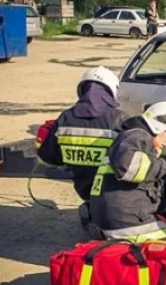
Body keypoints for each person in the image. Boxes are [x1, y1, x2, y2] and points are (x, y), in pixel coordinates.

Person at [37, 67, 128, 236]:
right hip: (113, 189)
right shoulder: (119, 119)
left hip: (83, 187)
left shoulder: (65, 118)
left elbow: (49, 156)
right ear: (110, 91)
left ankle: (91, 210)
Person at [89, 101, 166, 242]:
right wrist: (165, 167)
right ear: (160, 124)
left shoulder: (130, 138)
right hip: (124, 222)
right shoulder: (138, 136)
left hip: (109, 216)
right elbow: (129, 167)